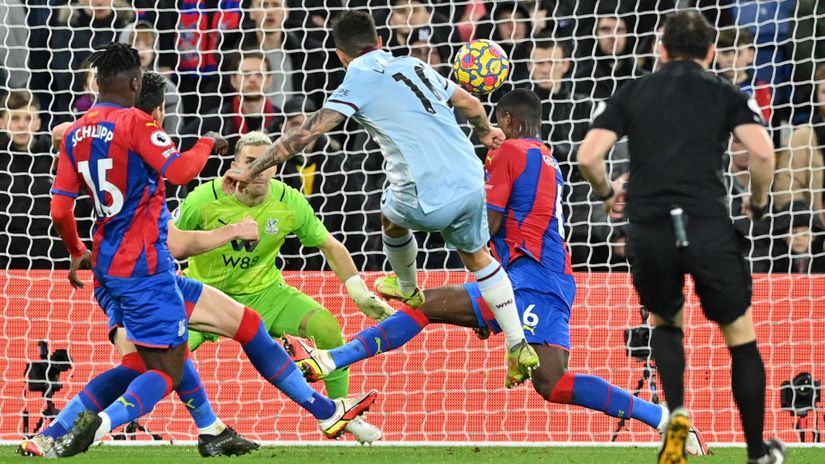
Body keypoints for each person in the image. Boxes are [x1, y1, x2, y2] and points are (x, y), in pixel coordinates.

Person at [284, 89, 706, 456]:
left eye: (493, 121)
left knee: (447, 317)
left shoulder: (510, 152)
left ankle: (332, 358)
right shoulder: (544, 156)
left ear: (506, 119)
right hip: (542, 277)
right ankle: (664, 419)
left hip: (532, 278)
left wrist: (432, 214)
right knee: (541, 376)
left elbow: (489, 226)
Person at [47, 45, 375, 458]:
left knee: (244, 327)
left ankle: (288, 417)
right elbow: (181, 175)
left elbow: (60, 208)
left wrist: (75, 248)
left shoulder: (79, 132)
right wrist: (207, 143)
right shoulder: (137, 126)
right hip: (144, 273)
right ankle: (91, 428)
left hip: (120, 270)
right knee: (159, 370)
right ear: (135, 84)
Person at [223, 10, 538, 389]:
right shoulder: (415, 64)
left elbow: (305, 135)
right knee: (478, 259)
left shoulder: (357, 79)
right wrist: (486, 133)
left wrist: (252, 169)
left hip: (425, 192)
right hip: (472, 182)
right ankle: (519, 345)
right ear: (381, 42)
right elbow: (471, 103)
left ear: (341, 55)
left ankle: (407, 286)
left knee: (389, 215)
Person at [576, 11, 783, 464]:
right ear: (711, 54)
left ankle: (676, 419)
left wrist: (610, 193)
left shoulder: (632, 91)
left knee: (666, 323)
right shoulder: (726, 92)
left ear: (661, 49)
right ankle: (756, 452)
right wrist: (759, 203)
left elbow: (589, 156)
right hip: (707, 224)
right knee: (739, 335)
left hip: (650, 228)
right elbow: (763, 153)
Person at [175, 129, 393, 435]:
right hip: (206, 297)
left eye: (268, 161)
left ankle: (342, 414)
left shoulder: (288, 200)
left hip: (266, 295)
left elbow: (329, 244)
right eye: (252, 161)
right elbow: (167, 241)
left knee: (327, 327)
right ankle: (130, 417)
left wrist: (358, 292)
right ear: (235, 164)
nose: (260, 170)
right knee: (163, 355)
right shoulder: (202, 200)